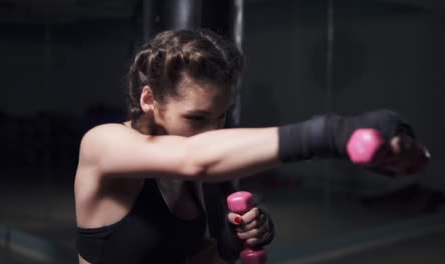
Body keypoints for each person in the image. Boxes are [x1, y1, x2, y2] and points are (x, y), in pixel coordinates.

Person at [74, 29, 428, 264]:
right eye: (196, 118)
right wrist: (334, 133)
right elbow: (193, 159)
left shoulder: (194, 170)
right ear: (150, 99)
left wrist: (231, 241)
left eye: (221, 116)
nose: (211, 130)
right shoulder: (103, 144)